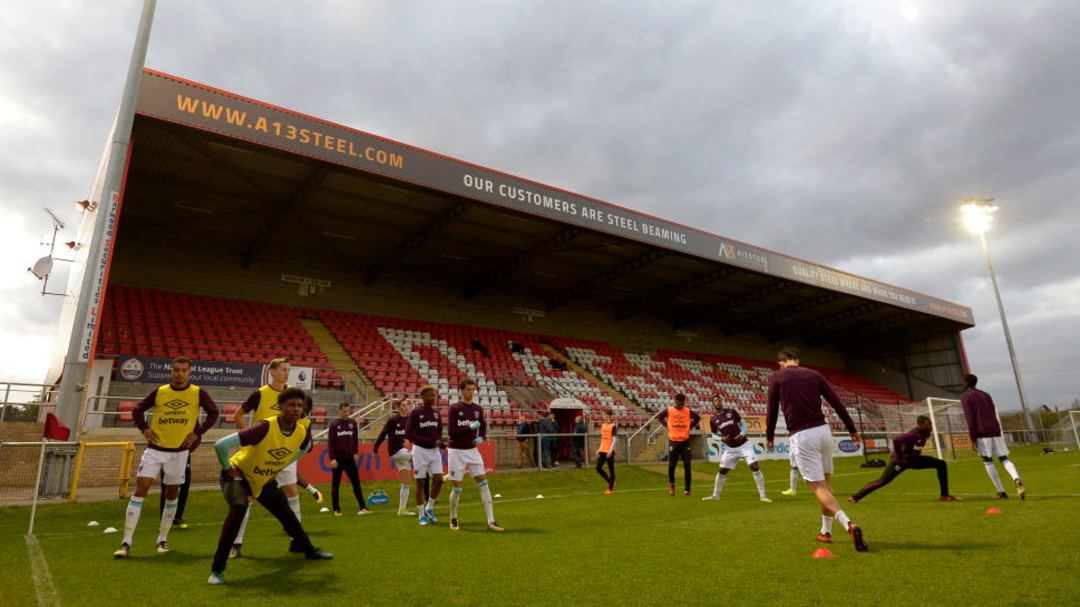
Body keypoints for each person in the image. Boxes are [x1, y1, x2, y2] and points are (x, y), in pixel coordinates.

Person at [208, 388, 332, 585]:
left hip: (264, 480)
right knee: (239, 509)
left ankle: (309, 551)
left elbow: (306, 448)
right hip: (238, 475)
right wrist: (227, 468)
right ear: (281, 407)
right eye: (291, 405)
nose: (295, 409)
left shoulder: (301, 431)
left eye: (299, 406)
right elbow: (221, 445)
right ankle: (217, 570)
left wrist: (279, 466)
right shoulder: (264, 427)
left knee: (287, 515)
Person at [113, 357, 219, 558]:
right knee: (141, 488)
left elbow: (214, 412)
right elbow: (137, 410)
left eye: (183, 370)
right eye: (176, 370)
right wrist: (144, 428)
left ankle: (162, 540)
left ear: (189, 372)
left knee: (171, 494)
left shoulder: (198, 393)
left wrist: (198, 432)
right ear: (171, 371)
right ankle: (126, 543)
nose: (179, 373)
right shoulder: (160, 392)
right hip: (155, 450)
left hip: (179, 453)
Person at [766, 347, 867, 552]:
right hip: (823, 432)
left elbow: (772, 408)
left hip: (802, 435)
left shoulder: (776, 377)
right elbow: (836, 402)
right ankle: (826, 532)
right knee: (826, 485)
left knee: (818, 488)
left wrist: (769, 436)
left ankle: (849, 524)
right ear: (797, 360)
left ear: (780, 363)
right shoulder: (814, 374)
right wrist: (852, 428)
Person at [230, 358, 304, 556]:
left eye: (289, 370)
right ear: (272, 372)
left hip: (284, 453)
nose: (286, 373)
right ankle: (236, 543)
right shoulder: (260, 394)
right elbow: (238, 415)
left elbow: (303, 423)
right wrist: (249, 437)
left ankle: (296, 541)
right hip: (260, 455)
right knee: (248, 497)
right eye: (283, 370)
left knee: (291, 492)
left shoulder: (293, 395)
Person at [848, 416, 960, 503]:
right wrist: (901, 457)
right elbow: (896, 440)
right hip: (901, 462)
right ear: (920, 424)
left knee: (941, 464)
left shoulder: (926, 433)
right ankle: (855, 497)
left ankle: (945, 495)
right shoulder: (913, 434)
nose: (931, 426)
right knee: (882, 481)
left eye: (931, 424)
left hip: (914, 460)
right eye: (928, 424)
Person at [446, 378, 503, 531]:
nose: (471, 393)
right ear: (462, 391)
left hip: (472, 451)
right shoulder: (455, 408)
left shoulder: (478, 409)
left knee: (484, 484)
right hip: (456, 451)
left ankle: (491, 521)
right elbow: (451, 433)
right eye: (468, 390)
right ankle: (453, 517)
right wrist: (470, 428)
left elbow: (483, 428)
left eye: (473, 390)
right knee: (457, 488)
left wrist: (481, 437)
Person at [961, 374, 1026, 500]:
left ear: (965, 383)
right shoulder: (986, 394)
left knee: (987, 460)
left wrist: (972, 437)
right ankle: (1016, 478)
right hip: (995, 430)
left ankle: (1001, 492)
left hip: (982, 432)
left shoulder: (965, 396)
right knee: (1003, 458)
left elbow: (970, 418)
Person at [703, 400, 771, 503]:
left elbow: (742, 423)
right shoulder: (713, 419)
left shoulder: (731, 411)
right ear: (712, 403)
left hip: (744, 445)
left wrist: (742, 433)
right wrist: (720, 439)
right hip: (730, 449)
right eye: (715, 401)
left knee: (754, 466)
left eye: (719, 400)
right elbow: (713, 434)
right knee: (722, 471)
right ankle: (715, 495)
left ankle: (763, 496)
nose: (718, 402)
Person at [405, 385, 444, 526]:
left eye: (434, 395)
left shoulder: (436, 413)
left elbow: (439, 429)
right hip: (420, 450)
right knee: (420, 482)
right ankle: (421, 515)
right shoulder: (415, 413)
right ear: (422, 397)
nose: (433, 398)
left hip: (434, 451)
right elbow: (409, 433)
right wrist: (428, 441)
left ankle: (429, 508)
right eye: (430, 395)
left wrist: (439, 439)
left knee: (439, 479)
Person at [373, 397, 415, 516]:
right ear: (397, 407)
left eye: (407, 405)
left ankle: (402, 509)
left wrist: (410, 440)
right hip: (396, 452)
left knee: (407, 481)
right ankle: (436, 474)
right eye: (403, 405)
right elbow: (382, 434)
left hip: (404, 452)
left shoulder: (410, 420)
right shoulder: (393, 420)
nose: (406, 407)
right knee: (418, 456)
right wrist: (375, 449)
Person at [327, 402, 369, 516]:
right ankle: (336, 509)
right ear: (340, 411)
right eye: (344, 411)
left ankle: (363, 507)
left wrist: (355, 452)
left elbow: (355, 439)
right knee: (336, 484)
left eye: (348, 411)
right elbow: (330, 443)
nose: (346, 413)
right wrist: (332, 459)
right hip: (338, 459)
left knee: (356, 483)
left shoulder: (353, 423)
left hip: (350, 458)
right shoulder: (334, 425)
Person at [656, 393, 700, 497]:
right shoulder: (670, 410)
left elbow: (697, 418)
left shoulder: (687, 411)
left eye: (682, 404)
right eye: (679, 404)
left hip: (685, 441)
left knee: (687, 466)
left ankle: (687, 491)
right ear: (675, 402)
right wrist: (667, 425)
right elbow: (659, 417)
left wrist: (690, 426)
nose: (681, 406)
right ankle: (672, 484)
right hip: (674, 440)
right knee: (672, 465)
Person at [158, 459, 191, 529]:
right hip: (168, 460)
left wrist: (190, 448)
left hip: (184, 461)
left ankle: (178, 517)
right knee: (166, 489)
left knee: (185, 487)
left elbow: (193, 447)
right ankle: (164, 519)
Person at [595, 409, 617, 494]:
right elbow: (602, 439)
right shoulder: (603, 425)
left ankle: (610, 488)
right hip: (603, 450)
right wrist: (599, 449)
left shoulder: (613, 426)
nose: (602, 416)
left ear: (608, 415)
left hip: (609, 451)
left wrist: (610, 451)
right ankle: (611, 482)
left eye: (603, 414)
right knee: (598, 467)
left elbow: (615, 439)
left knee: (611, 469)